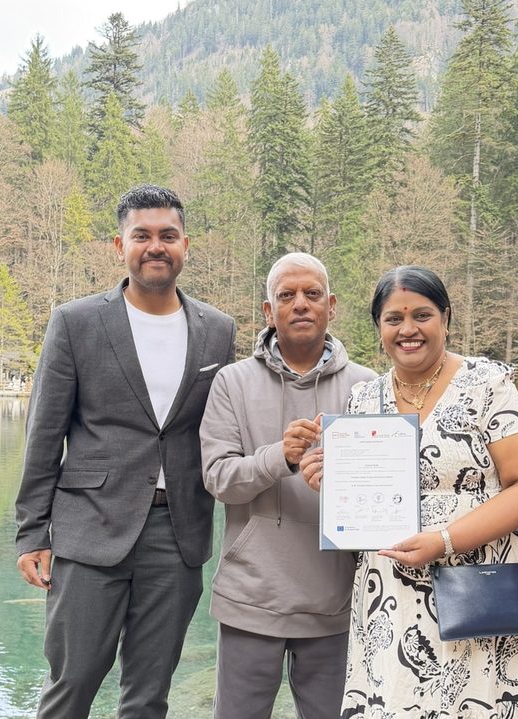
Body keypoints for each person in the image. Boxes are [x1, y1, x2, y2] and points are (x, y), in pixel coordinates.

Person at [14, 184, 236, 718]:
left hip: (178, 534)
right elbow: (44, 434)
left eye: (168, 236)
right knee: (71, 684)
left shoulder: (217, 330)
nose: (155, 246)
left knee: (149, 694)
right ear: (120, 246)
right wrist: (32, 532)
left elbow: (224, 428)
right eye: (142, 236)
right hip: (89, 529)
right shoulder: (76, 322)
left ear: (186, 246)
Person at [300, 265, 518, 719]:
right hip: (391, 594)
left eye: (422, 315)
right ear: (379, 327)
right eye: (393, 319)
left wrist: (445, 540)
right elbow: (365, 496)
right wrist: (329, 481)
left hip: (481, 587)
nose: (408, 329)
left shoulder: (486, 384)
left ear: (445, 318)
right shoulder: (364, 399)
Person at [199, 252, 375, 719]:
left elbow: (382, 499)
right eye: (286, 295)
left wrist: (341, 485)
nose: (300, 304)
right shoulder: (231, 382)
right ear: (268, 310)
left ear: (331, 306)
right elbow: (218, 479)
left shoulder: (368, 387)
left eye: (312, 294)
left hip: (337, 598)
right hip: (250, 596)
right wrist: (280, 457)